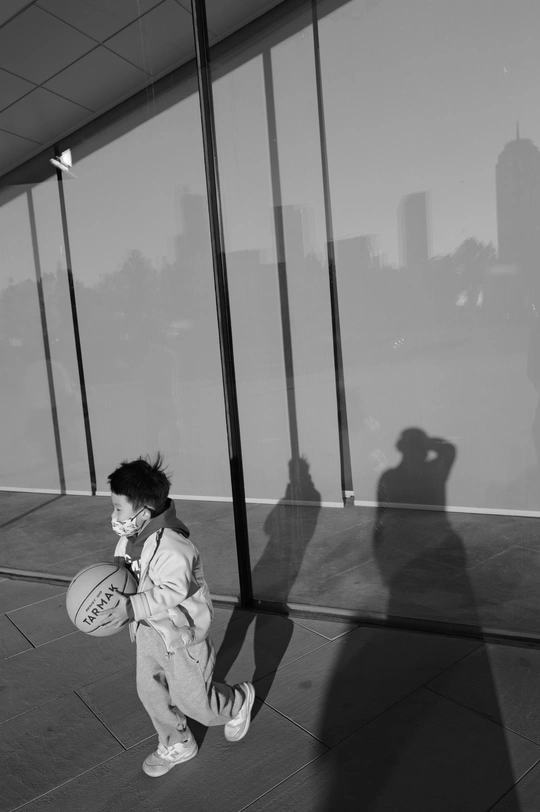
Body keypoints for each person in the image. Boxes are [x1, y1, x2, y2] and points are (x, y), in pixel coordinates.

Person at [96, 453, 255, 778]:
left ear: (143, 512)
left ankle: (237, 702)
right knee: (150, 692)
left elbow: (173, 590)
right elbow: (127, 579)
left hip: (182, 637)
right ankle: (178, 741)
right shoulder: (128, 541)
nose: (114, 515)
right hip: (149, 632)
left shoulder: (173, 545)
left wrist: (132, 607)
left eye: (118, 508)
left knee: (194, 703)